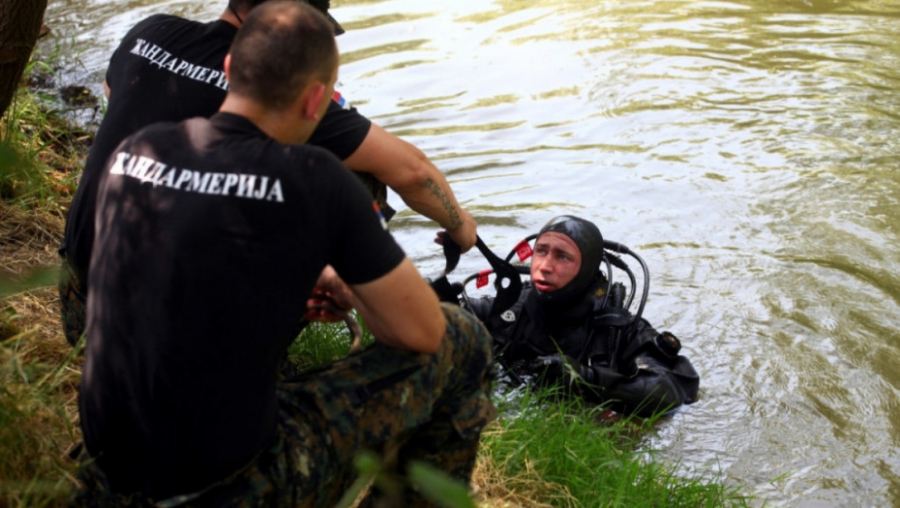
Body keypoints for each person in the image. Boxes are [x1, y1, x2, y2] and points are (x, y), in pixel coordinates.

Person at [70, 3, 495, 505]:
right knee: (464, 339)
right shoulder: (316, 179)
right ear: (317, 100)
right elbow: (421, 332)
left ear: (230, 69)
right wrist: (355, 288)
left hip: (106, 475)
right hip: (226, 490)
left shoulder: (140, 151)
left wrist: (292, 280)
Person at [58, 0, 477, 347]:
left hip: (82, 305)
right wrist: (463, 230)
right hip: (185, 353)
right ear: (315, 99)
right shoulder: (287, 96)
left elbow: (114, 95)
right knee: (364, 181)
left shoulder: (150, 32)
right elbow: (413, 172)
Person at [463, 215, 699, 417]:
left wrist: (587, 379)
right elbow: (453, 313)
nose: (544, 266)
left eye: (562, 256)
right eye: (541, 251)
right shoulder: (510, 308)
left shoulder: (617, 330)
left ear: (587, 269)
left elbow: (674, 389)